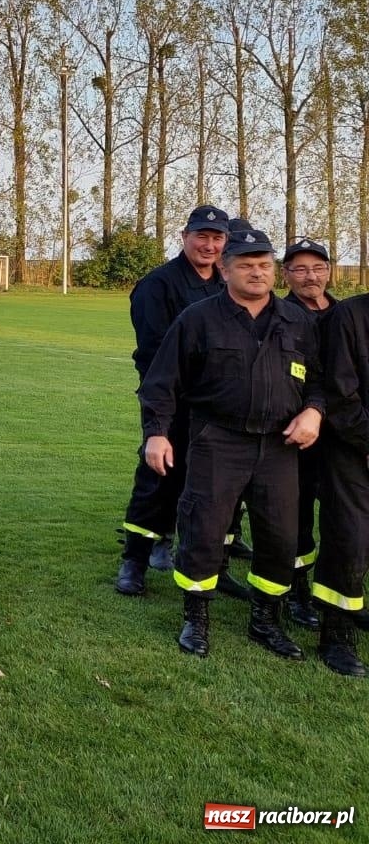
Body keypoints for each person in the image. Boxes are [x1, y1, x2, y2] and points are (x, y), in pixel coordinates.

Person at [137, 225, 323, 660]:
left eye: (264, 265)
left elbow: (319, 379)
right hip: (217, 440)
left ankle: (265, 620)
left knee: (280, 536)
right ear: (225, 270)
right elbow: (161, 382)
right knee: (203, 529)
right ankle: (195, 618)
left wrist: (314, 410)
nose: (257, 273)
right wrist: (157, 433)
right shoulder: (198, 319)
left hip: (279, 446)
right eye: (246, 265)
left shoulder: (297, 321)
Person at [115, 205, 236, 597]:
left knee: (216, 483)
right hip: (172, 400)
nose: (209, 245)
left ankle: (213, 563)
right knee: (158, 479)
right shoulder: (158, 285)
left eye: (217, 238)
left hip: (217, 405)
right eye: (202, 236)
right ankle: (134, 561)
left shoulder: (227, 283)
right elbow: (155, 354)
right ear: (184, 237)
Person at [279, 237, 335, 631]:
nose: (309, 276)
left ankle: (337, 589)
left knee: (342, 516)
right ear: (286, 274)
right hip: (299, 432)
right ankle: (297, 591)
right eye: (299, 269)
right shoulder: (280, 316)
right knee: (296, 516)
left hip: (344, 432)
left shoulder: (346, 313)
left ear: (328, 271)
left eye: (317, 268)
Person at [315, 287, 369, 675]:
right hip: (352, 449)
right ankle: (336, 633)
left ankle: (356, 609)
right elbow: (338, 392)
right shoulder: (347, 316)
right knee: (349, 540)